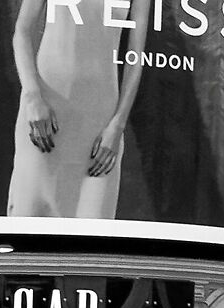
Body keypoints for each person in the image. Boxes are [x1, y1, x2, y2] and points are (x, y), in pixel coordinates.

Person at [8, 0, 142, 219]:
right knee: (29, 227)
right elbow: (21, 32)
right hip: (44, 115)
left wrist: (117, 125)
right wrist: (33, 97)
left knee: (91, 238)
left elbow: (135, 58)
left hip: (100, 128)